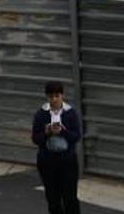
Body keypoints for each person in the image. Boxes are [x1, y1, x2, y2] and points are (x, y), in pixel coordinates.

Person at [31, 80, 82, 214]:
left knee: (70, 197)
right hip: (47, 161)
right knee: (53, 198)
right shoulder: (41, 114)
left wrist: (63, 132)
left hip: (67, 161)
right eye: (51, 96)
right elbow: (35, 138)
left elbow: (76, 136)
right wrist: (47, 132)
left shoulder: (70, 113)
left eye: (57, 96)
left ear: (62, 95)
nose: (54, 99)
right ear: (47, 97)